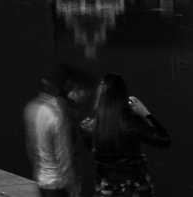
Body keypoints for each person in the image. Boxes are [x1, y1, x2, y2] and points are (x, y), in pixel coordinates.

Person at [83, 72, 170, 197]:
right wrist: (146, 114)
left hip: (106, 186)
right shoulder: (132, 123)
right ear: (122, 96)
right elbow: (164, 140)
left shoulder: (87, 126)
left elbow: (90, 148)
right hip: (136, 186)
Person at [25, 66, 80, 196]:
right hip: (58, 184)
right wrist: (72, 186)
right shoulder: (56, 113)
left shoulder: (31, 107)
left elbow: (30, 148)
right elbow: (63, 154)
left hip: (41, 179)